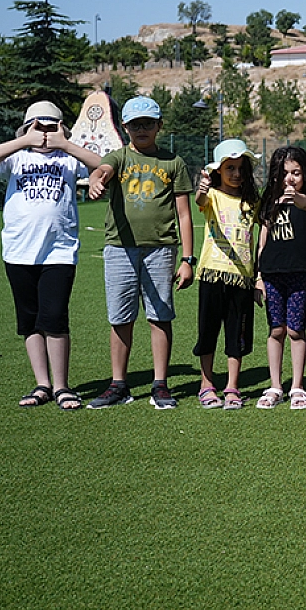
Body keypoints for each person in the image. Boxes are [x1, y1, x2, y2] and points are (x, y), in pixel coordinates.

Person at [0, 100, 103, 410]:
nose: (44, 134)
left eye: (50, 127)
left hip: (59, 252)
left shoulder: (68, 158)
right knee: (30, 321)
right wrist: (24, 140)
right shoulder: (16, 157)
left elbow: (101, 164)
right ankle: (42, 383)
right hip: (18, 251)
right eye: (39, 127)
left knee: (55, 318)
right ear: (27, 128)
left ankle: (62, 386)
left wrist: (65, 143)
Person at [85, 96, 195, 410]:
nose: (142, 129)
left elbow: (184, 214)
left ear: (160, 126)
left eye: (148, 123)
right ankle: (119, 383)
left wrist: (187, 259)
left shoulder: (172, 163)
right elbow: (102, 170)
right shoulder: (119, 157)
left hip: (161, 250)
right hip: (120, 249)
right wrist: (96, 181)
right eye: (135, 124)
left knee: (160, 317)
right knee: (120, 317)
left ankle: (160, 384)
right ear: (125, 127)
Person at [192, 139, 262, 409]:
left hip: (242, 278)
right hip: (213, 274)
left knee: (237, 335)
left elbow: (257, 236)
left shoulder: (251, 202)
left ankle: (232, 385)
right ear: (217, 171)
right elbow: (200, 200)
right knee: (208, 331)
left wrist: (258, 277)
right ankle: (206, 384)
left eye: (240, 168)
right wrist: (201, 188)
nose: (235, 173)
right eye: (229, 168)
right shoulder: (212, 196)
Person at [256, 145, 306, 410]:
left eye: (296, 173)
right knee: (276, 330)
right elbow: (261, 242)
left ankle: (297, 386)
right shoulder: (268, 202)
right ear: (275, 176)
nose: (290, 179)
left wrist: (304, 198)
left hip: (299, 275)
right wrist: (258, 277)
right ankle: (275, 385)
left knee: (295, 330)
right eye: (284, 173)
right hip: (271, 276)